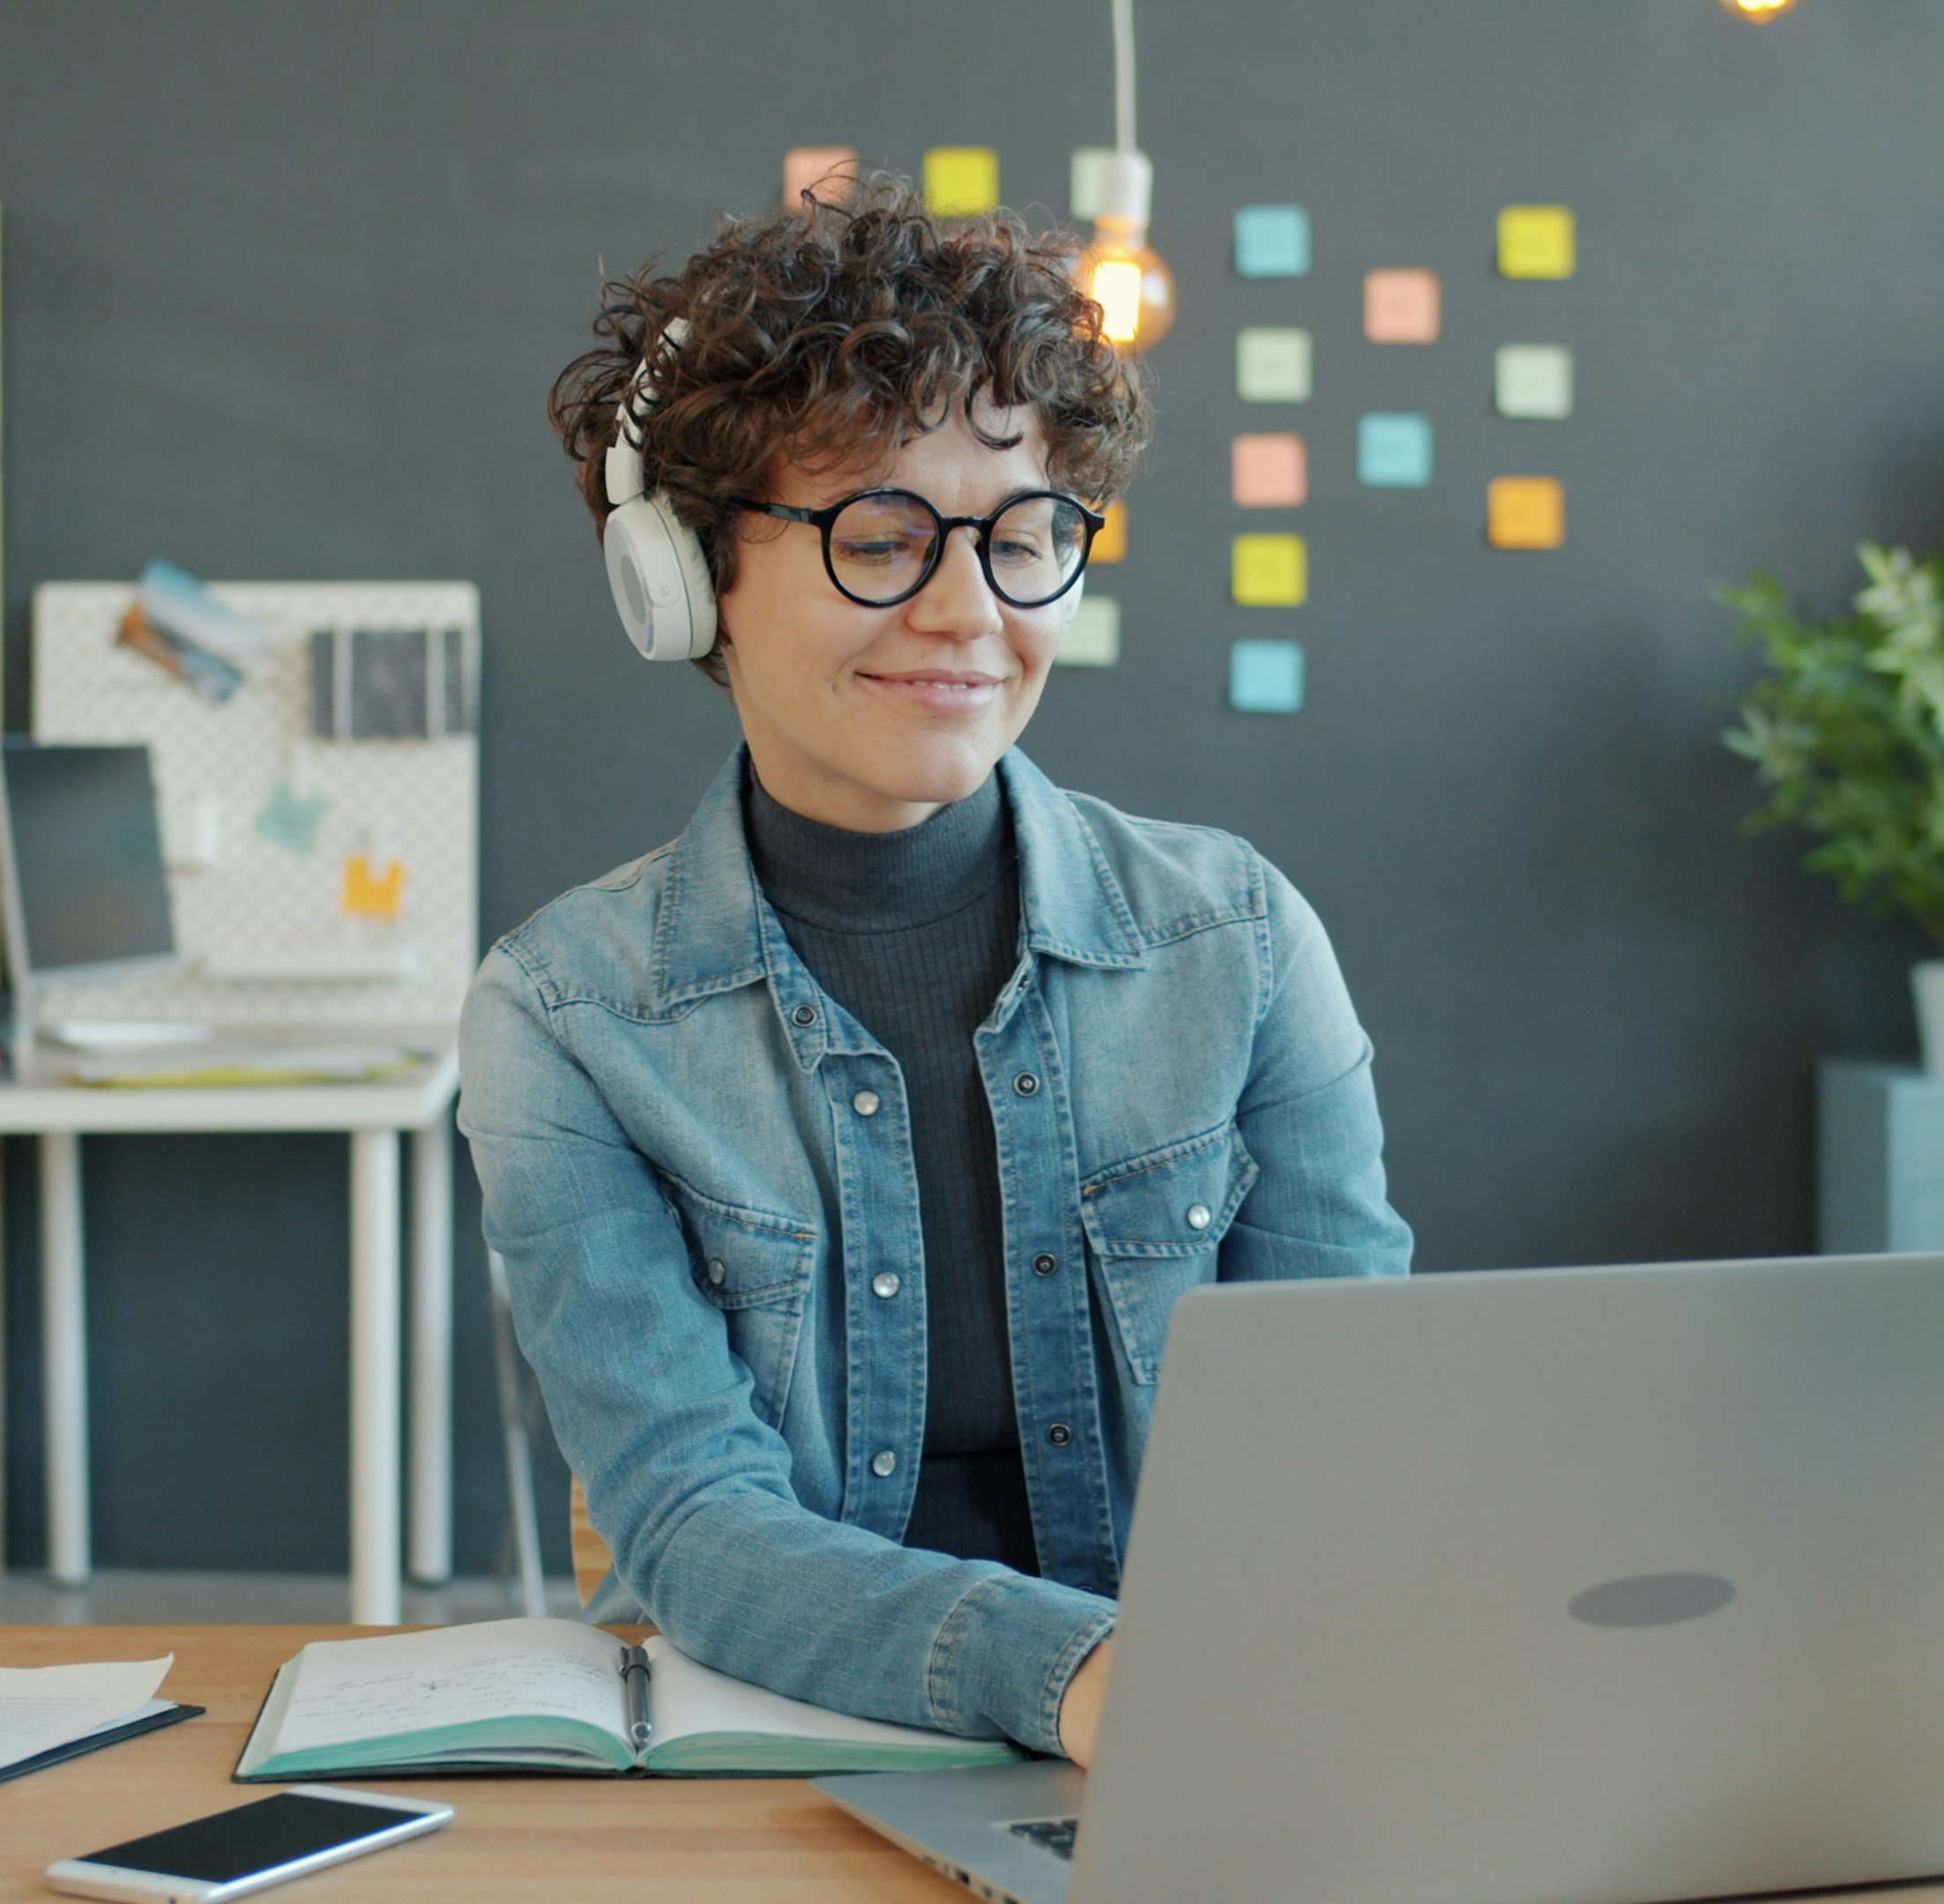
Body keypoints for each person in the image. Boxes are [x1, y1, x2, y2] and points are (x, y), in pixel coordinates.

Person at [460, 175, 1411, 1766]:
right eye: (882, 537)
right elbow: (692, 1524)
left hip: (1206, 1744)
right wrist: (1080, 1676)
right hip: (783, 1747)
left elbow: (1348, 1438)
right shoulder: (567, 1018)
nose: (973, 615)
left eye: (1026, 535)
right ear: (690, 575)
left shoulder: (1237, 941)